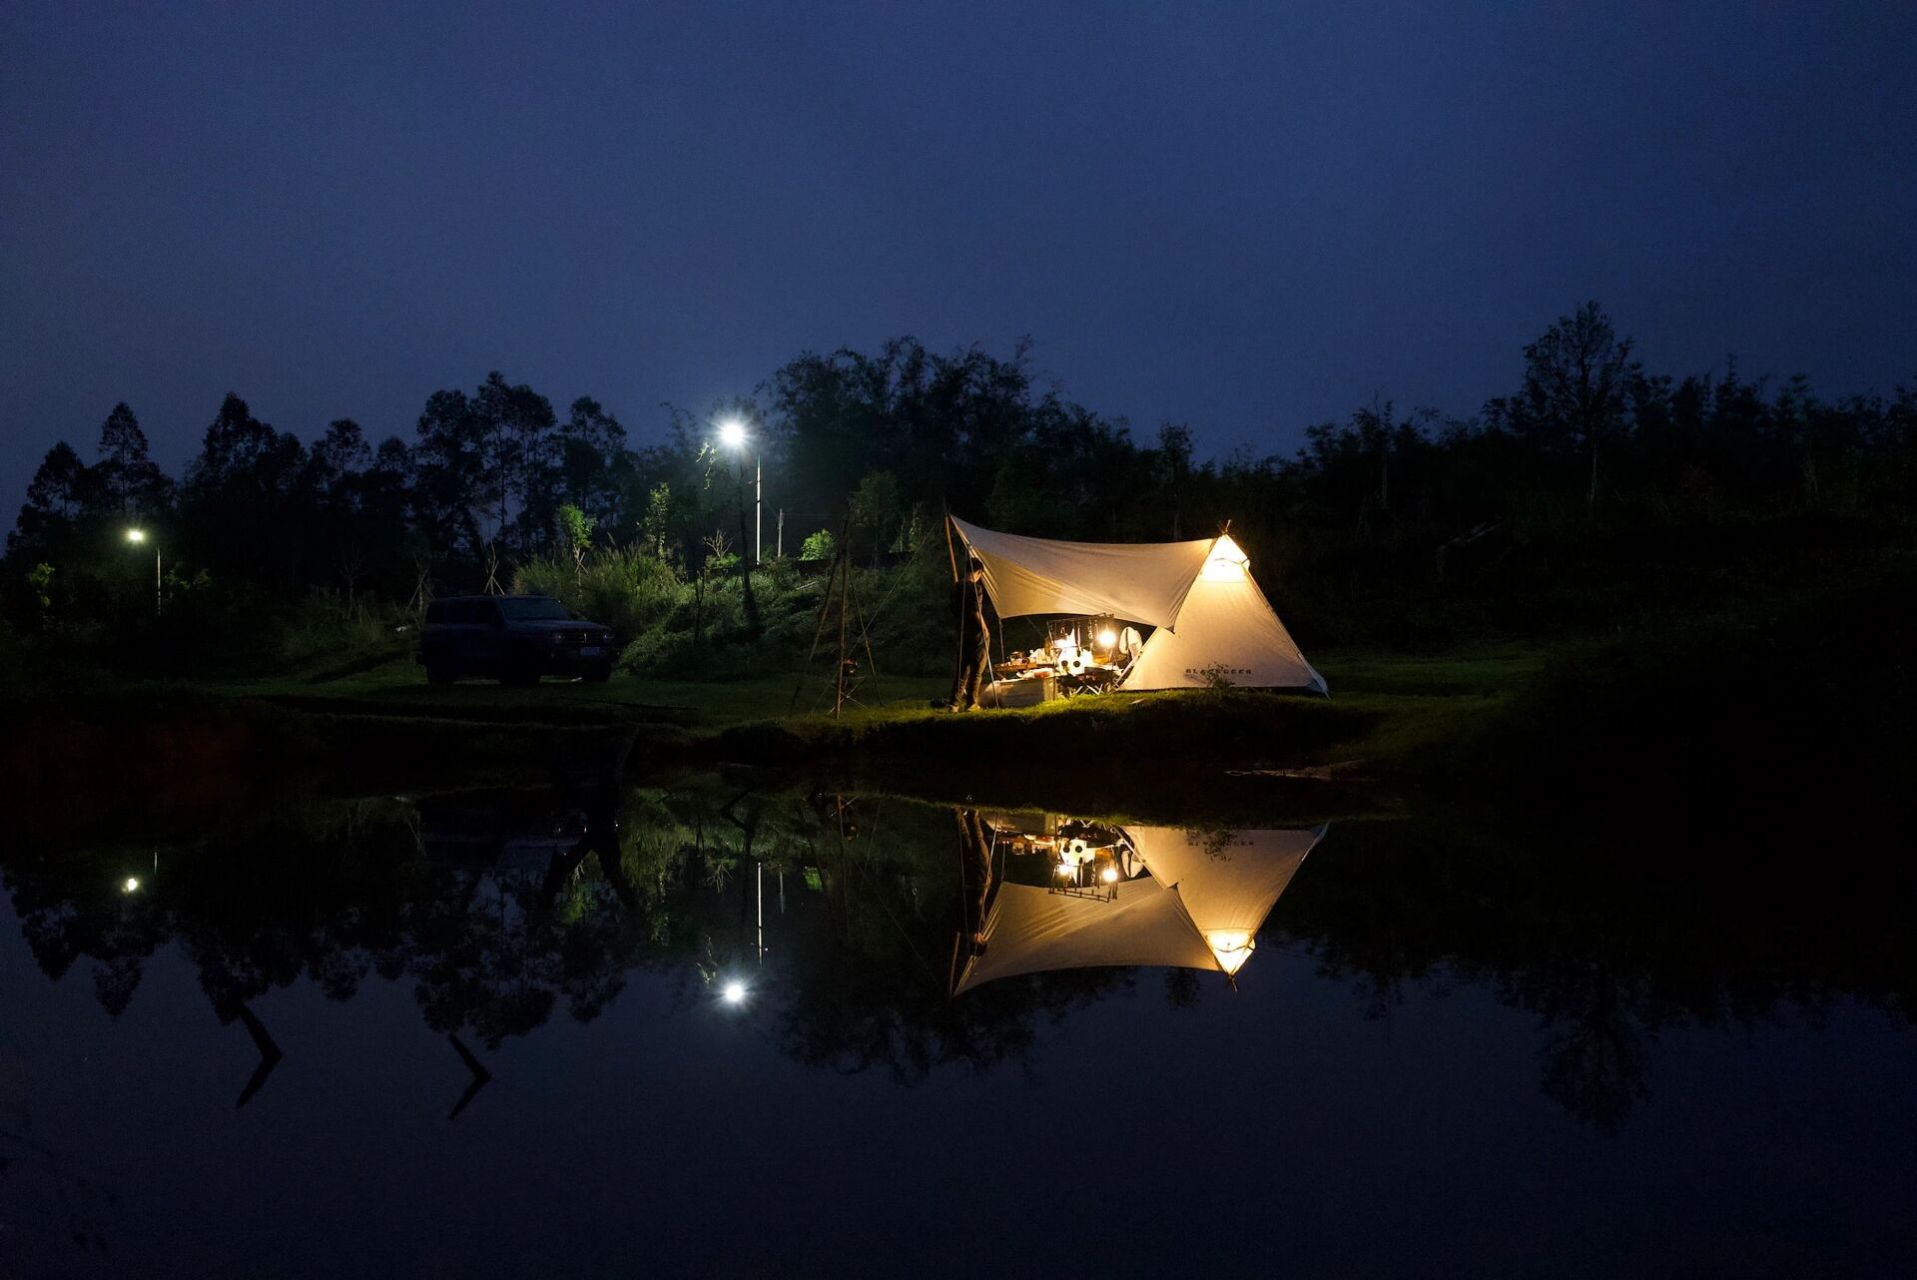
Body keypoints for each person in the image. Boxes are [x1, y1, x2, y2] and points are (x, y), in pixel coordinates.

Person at [948, 554, 991, 711]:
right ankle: (971, 703)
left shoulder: (955, 587)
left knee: (961, 671)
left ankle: (953, 704)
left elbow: (953, 609)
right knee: (976, 669)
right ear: (978, 572)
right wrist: (985, 628)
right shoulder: (976, 588)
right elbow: (975, 610)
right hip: (975, 633)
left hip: (961, 631)